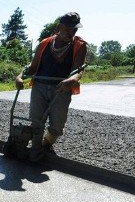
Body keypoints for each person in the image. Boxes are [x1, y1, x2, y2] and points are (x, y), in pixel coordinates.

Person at [15, 12, 87, 162]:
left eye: (75, 30)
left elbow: (78, 71)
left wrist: (71, 80)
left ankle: (45, 145)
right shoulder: (45, 43)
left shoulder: (80, 46)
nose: (72, 32)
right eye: (68, 29)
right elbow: (33, 67)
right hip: (39, 87)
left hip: (61, 89)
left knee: (57, 125)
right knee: (36, 121)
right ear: (60, 27)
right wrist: (20, 76)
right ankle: (35, 149)